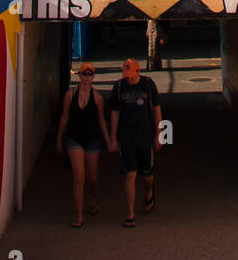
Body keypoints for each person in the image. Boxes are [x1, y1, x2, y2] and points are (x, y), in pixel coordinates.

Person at [109, 57, 162, 228]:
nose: (128, 78)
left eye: (131, 75)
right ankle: (130, 213)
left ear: (138, 71)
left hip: (145, 136)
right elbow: (115, 113)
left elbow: (157, 110)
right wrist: (113, 137)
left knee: (147, 174)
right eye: (126, 75)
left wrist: (160, 135)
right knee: (130, 174)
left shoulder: (148, 85)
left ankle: (149, 191)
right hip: (127, 137)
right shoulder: (119, 87)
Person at [56, 62, 110, 228]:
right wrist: (59, 138)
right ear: (79, 76)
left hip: (93, 139)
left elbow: (101, 120)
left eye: (89, 74)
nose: (87, 77)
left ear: (93, 77)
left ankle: (93, 198)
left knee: (92, 178)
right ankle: (79, 215)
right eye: (84, 74)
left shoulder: (98, 98)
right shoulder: (70, 95)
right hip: (74, 138)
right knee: (79, 176)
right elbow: (64, 117)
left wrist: (109, 140)